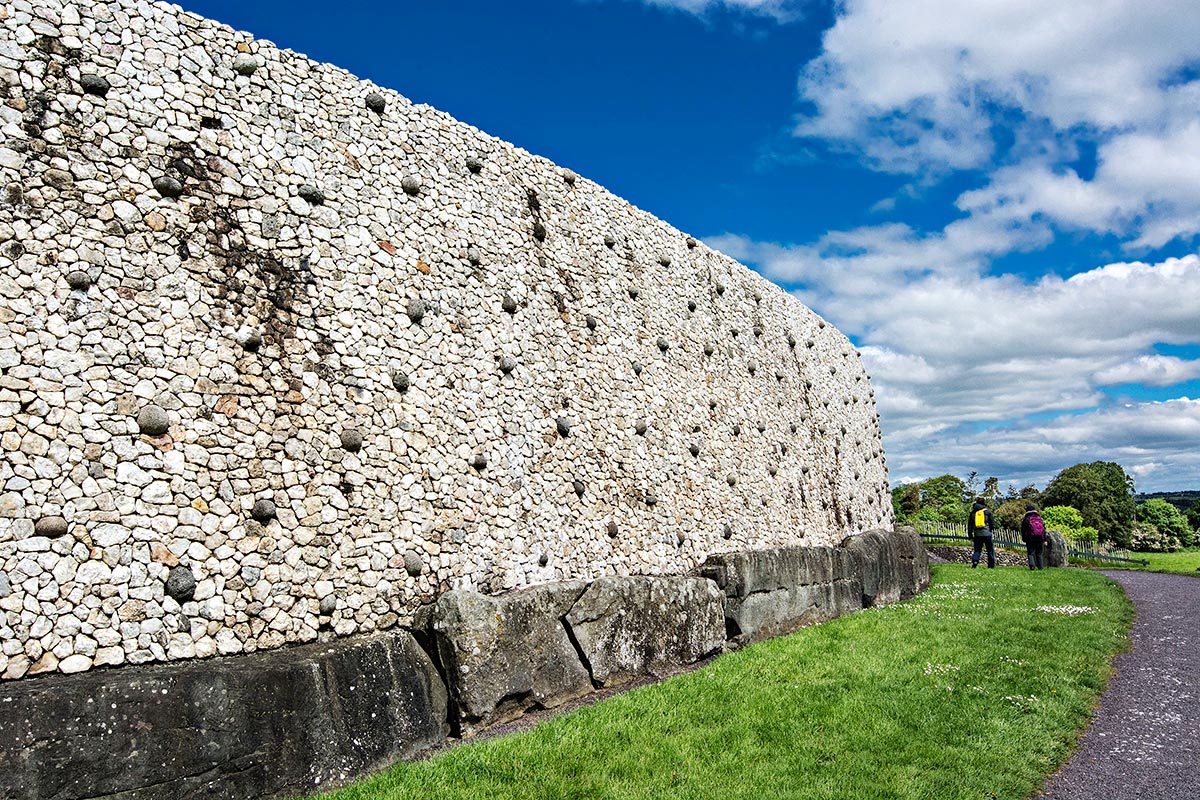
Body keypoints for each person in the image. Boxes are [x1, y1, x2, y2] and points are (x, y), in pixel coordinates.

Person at [967, 496, 996, 568]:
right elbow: (992, 524)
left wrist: (970, 536)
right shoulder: (987, 512)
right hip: (987, 534)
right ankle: (991, 565)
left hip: (977, 534)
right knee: (990, 550)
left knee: (977, 549)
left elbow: (970, 525)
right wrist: (990, 530)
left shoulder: (973, 513)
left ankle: (975, 561)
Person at [1020, 504, 1048, 570]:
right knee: (1039, 553)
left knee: (1031, 553)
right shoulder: (1039, 518)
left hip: (1030, 538)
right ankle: (1040, 567)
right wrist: (1044, 539)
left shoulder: (1026, 519)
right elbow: (1044, 530)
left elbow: (1023, 529)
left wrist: (1024, 538)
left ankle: (1032, 566)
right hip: (1040, 538)